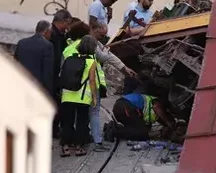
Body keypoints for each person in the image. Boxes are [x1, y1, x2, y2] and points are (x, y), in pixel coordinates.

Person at [88, 22, 137, 150]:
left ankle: (88, 137)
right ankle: (96, 140)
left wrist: (124, 68)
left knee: (90, 111)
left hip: (90, 83)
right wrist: (106, 51)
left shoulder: (96, 42)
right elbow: (104, 57)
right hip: (89, 83)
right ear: (93, 29)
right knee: (93, 111)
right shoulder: (89, 42)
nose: (103, 38)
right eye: (101, 35)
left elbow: (110, 57)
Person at [59, 35, 101, 157]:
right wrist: (94, 97)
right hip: (82, 98)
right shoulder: (92, 62)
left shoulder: (69, 59)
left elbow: (62, 75)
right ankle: (79, 148)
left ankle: (65, 147)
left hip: (67, 96)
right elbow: (92, 80)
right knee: (81, 122)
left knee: (67, 122)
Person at [110, 92, 175, 142]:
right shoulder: (159, 104)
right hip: (126, 107)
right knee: (142, 133)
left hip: (123, 107)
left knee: (136, 131)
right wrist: (168, 123)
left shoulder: (156, 116)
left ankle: (115, 127)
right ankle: (113, 131)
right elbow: (157, 107)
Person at [49, 9, 73, 137]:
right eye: (67, 24)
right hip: (53, 75)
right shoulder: (52, 34)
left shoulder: (59, 35)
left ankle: (55, 129)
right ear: (62, 22)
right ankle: (53, 130)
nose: (68, 27)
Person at [13, 20, 54, 95]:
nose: (51, 35)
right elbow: (47, 72)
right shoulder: (48, 46)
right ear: (47, 31)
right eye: (51, 32)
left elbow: (15, 63)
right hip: (37, 88)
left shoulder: (22, 42)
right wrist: (49, 92)